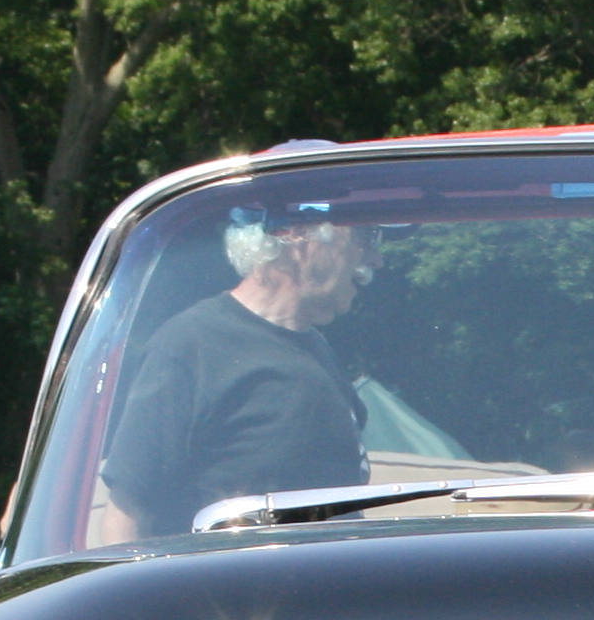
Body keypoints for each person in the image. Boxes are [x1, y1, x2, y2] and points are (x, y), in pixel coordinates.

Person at [89, 211, 378, 539]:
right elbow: (126, 514)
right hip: (228, 588)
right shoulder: (191, 344)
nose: (376, 259)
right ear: (299, 235)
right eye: (365, 236)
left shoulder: (316, 348)